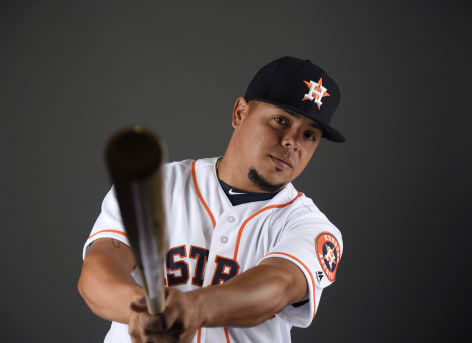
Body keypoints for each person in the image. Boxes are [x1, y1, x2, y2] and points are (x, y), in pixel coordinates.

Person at [78, 56, 345, 343]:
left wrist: (194, 308)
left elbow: (279, 285)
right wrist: (137, 310)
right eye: (280, 120)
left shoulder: (312, 227)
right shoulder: (156, 185)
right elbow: (98, 270)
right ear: (240, 113)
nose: (292, 142)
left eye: (309, 135)